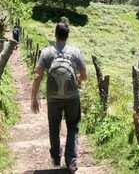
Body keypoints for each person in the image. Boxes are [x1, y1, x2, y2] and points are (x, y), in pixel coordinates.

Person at [31, 21, 87, 172]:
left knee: (54, 127)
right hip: (72, 96)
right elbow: (84, 75)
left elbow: (37, 76)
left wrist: (34, 98)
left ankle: (56, 156)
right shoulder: (75, 52)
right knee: (73, 127)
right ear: (67, 36)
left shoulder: (47, 52)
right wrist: (77, 81)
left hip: (53, 97)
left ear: (55, 35)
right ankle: (71, 162)